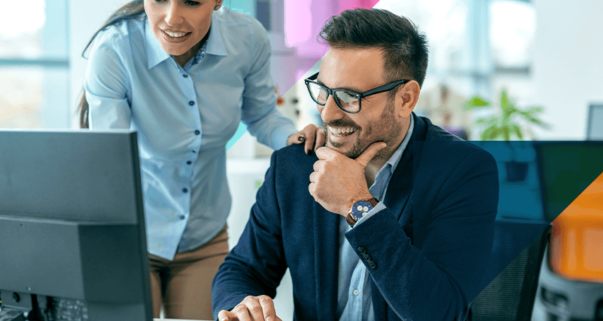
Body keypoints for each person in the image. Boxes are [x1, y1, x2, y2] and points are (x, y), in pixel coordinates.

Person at [212, 8, 499, 321]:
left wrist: (358, 206)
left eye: (349, 96)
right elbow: (241, 270)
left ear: (406, 99)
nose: (327, 114)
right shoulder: (295, 165)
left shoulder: (463, 171)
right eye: (323, 92)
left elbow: (440, 312)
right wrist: (244, 305)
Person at [79, 0, 324, 319]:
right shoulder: (115, 48)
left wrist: (293, 138)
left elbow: (262, 115)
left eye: (192, 2)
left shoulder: (247, 38)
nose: (172, 18)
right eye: (159, 0)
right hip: (131, 236)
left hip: (204, 236)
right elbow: (110, 156)